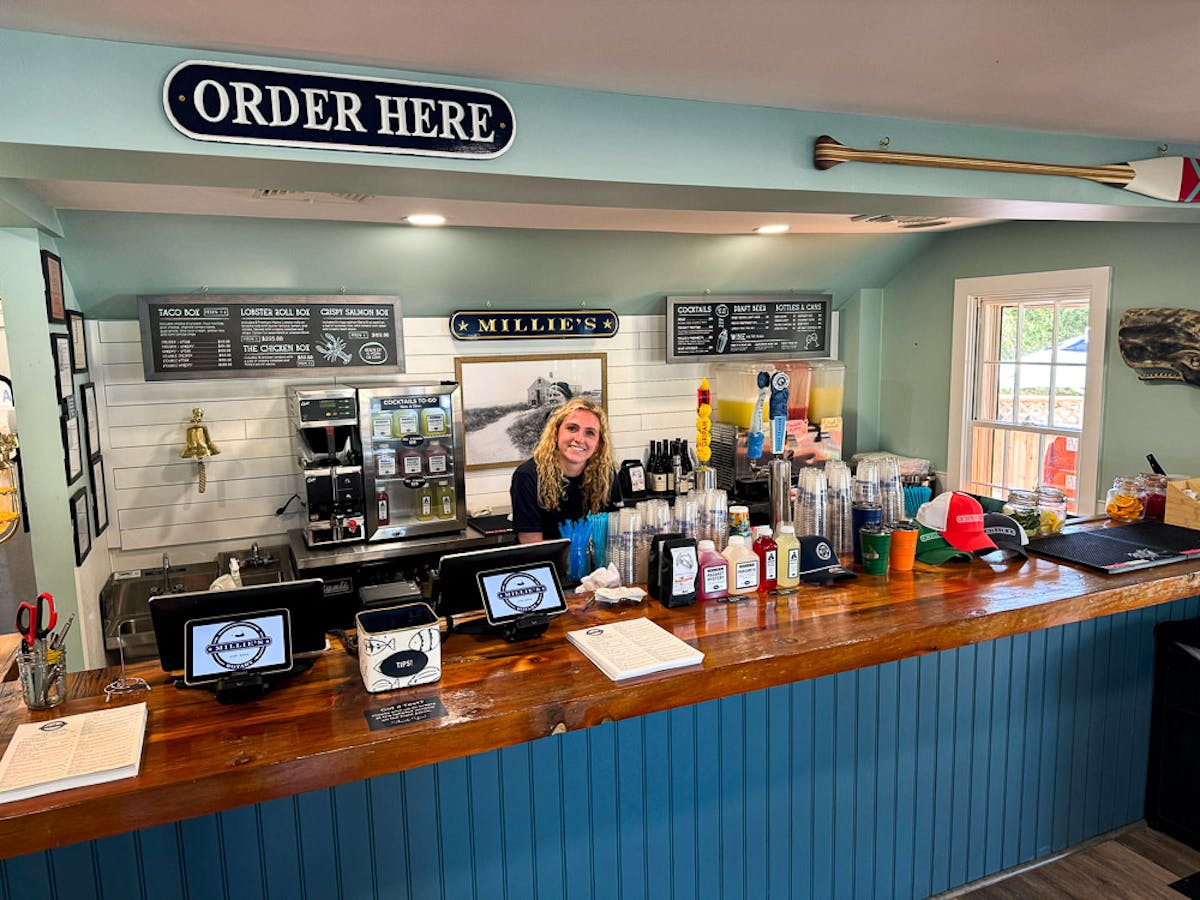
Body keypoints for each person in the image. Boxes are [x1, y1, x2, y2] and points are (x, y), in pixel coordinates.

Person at [510, 397, 623, 543]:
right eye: (572, 428)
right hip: (549, 558)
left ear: (598, 444)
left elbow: (614, 535)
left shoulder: (607, 474)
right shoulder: (528, 476)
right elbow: (532, 545)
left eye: (590, 433)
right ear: (556, 433)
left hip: (595, 558)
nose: (579, 439)